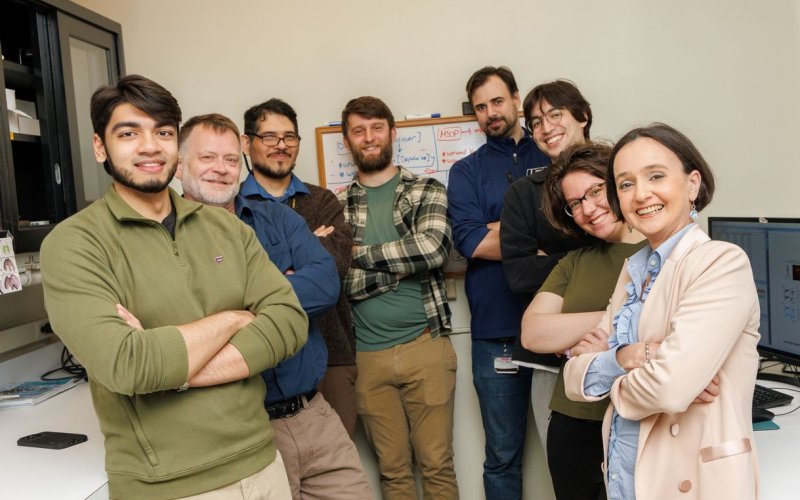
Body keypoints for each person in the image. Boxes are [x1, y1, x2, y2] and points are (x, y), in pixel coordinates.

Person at [40, 75, 308, 499]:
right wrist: (235, 318)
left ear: (174, 148)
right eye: (129, 133)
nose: (150, 146)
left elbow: (290, 322)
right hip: (168, 487)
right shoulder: (74, 244)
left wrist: (171, 369)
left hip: (262, 466)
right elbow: (129, 365)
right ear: (99, 146)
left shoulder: (225, 226)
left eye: (163, 132)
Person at [176, 112, 372, 499]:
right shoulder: (166, 237)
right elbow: (184, 320)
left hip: (314, 413)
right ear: (179, 164)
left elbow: (324, 284)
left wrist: (234, 312)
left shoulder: (277, 217)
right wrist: (279, 286)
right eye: (207, 158)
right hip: (245, 427)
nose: (221, 169)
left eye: (231, 159)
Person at [564, 123, 760, 499]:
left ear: (692, 184)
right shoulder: (633, 270)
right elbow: (573, 378)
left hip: (690, 480)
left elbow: (669, 389)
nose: (641, 194)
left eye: (656, 176)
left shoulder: (721, 262)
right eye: (625, 184)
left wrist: (607, 372)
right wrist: (632, 356)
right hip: (627, 475)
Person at [339, 96, 458, 499]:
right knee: (393, 472)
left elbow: (433, 250)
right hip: (366, 356)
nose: (368, 137)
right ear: (348, 140)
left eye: (376, 128)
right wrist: (396, 270)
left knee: (437, 466)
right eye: (359, 130)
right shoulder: (334, 206)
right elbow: (337, 281)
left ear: (392, 133)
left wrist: (362, 256)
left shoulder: (426, 189)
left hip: (426, 345)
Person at [520, 143, 646, 499]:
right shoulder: (574, 262)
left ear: (617, 183)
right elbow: (534, 333)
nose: (588, 209)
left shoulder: (664, 250)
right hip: (572, 426)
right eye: (575, 204)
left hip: (639, 422)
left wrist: (603, 334)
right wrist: (623, 322)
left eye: (594, 192)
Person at [447, 65, 548, 499]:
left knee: (575, 447)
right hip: (497, 333)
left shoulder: (551, 156)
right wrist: (540, 235)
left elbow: (578, 228)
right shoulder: (465, 171)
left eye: (497, 101)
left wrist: (500, 230)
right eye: (480, 107)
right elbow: (470, 242)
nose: (490, 113)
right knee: (502, 455)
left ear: (517, 99)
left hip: (564, 327)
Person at [239, 98, 358, 437]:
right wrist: (305, 251)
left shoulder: (322, 201)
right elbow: (235, 282)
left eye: (289, 137)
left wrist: (270, 275)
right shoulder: (231, 206)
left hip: (332, 355)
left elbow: (334, 266)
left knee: (335, 473)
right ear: (247, 143)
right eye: (270, 137)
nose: (281, 146)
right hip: (261, 362)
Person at [500, 80, 598, 451]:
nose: (546, 127)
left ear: (583, 115)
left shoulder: (622, 177)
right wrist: (590, 256)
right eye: (536, 122)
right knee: (569, 470)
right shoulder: (525, 194)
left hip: (629, 344)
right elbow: (520, 274)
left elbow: (641, 251)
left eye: (555, 114)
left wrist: (552, 260)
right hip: (551, 358)